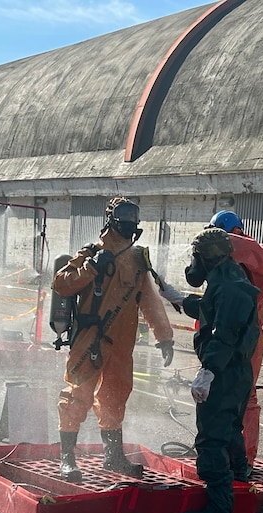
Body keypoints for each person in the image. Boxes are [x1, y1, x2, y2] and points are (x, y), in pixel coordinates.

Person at [52, 197, 175, 482]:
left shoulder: (138, 259)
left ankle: (114, 457)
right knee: (76, 396)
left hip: (121, 345)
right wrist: (92, 267)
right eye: (124, 214)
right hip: (90, 339)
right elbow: (61, 283)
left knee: (115, 397)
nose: (130, 220)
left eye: (134, 214)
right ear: (111, 218)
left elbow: (151, 301)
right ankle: (67, 458)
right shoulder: (93, 252)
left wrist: (164, 337)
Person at [179, 228, 260, 513]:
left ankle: (219, 511)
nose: (193, 263)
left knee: (212, 439)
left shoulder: (230, 287)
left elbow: (224, 333)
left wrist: (208, 370)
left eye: (195, 256)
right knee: (229, 431)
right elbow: (212, 310)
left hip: (225, 373)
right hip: (234, 372)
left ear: (205, 257)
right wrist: (180, 300)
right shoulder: (227, 279)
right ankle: (240, 478)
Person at [190, 210, 263, 471]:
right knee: (244, 398)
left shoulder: (225, 253)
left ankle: (224, 464)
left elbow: (224, 319)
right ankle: (244, 459)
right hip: (252, 336)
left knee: (219, 403)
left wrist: (209, 368)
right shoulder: (257, 256)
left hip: (227, 339)